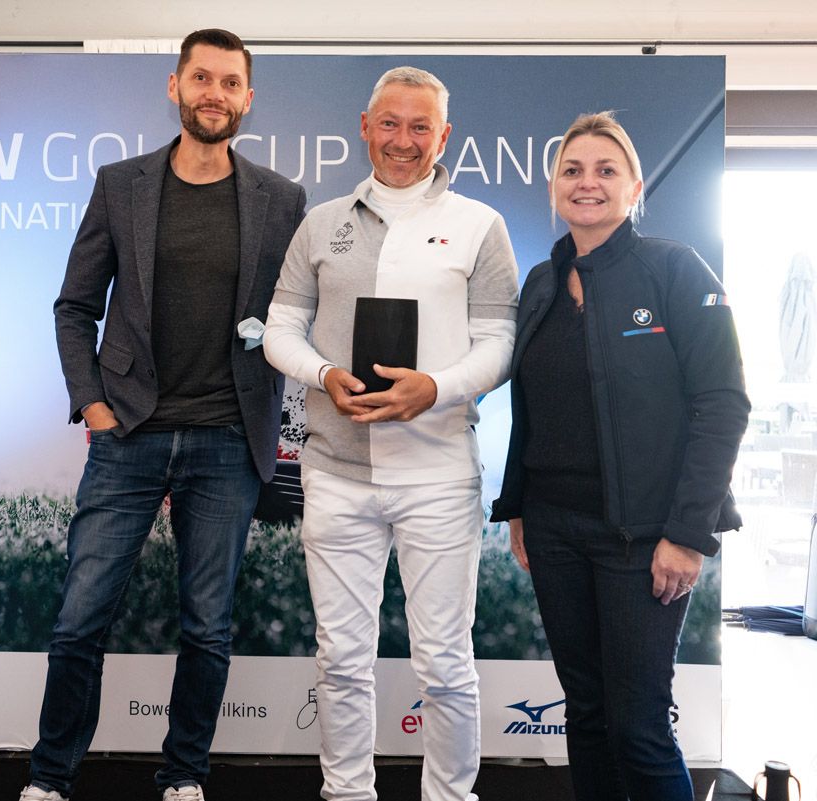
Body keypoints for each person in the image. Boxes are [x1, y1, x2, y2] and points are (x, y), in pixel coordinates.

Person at [21, 28, 307, 801]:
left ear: (248, 98)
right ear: (175, 86)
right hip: (129, 433)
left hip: (228, 439)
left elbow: (298, 313)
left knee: (207, 625)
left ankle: (184, 774)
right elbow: (75, 306)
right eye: (202, 78)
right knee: (80, 619)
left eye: (230, 83)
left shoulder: (283, 200)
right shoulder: (122, 185)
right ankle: (50, 776)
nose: (216, 94)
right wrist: (93, 405)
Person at [263, 66, 518, 801]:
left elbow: (500, 344)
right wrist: (322, 374)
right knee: (341, 661)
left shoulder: (480, 224)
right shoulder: (321, 223)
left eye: (420, 127)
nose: (403, 140)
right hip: (336, 475)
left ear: (444, 136)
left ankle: (451, 795)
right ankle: (346, 792)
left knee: (445, 664)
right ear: (365, 128)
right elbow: (279, 330)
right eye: (389, 123)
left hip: (438, 475)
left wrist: (435, 387)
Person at [489, 111, 750, 801]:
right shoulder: (542, 283)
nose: (588, 182)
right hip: (554, 529)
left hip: (645, 537)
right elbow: (530, 407)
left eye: (606, 170)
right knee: (587, 713)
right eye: (572, 170)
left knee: (638, 726)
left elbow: (723, 403)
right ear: (554, 187)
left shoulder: (674, 269)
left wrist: (688, 534)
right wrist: (518, 508)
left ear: (635, 188)